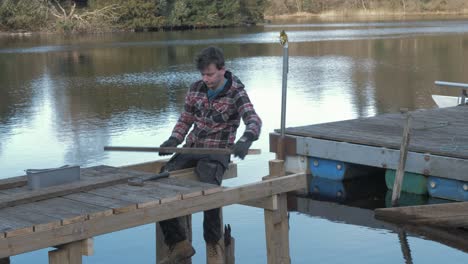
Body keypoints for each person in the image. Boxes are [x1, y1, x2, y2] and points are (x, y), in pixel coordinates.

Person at [157, 46, 262, 264]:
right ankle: (178, 243)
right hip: (192, 147)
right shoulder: (196, 88)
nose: (206, 79)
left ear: (223, 70)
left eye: (210, 74)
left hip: (217, 151)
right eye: (203, 74)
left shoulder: (236, 92)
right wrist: (173, 140)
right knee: (161, 179)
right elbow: (185, 118)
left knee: (209, 191)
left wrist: (245, 139)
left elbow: (253, 120)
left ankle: (213, 245)